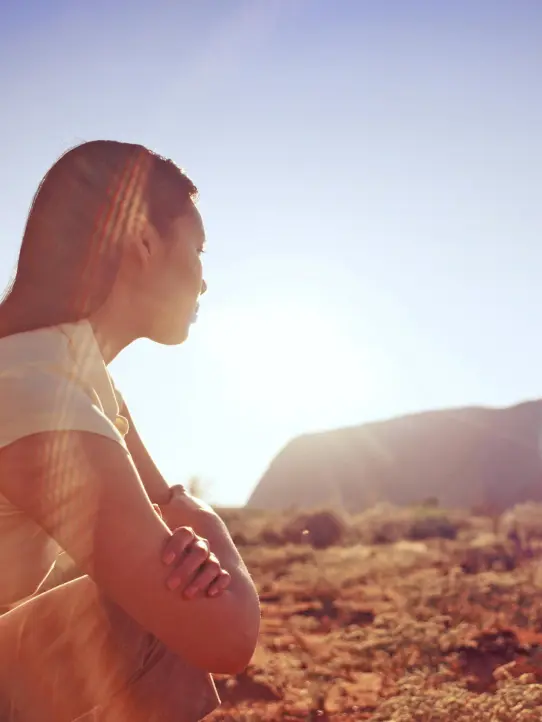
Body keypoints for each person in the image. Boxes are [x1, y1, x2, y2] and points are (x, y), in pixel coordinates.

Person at [0, 140, 261, 721]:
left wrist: (182, 521)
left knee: (152, 595)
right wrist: (210, 528)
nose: (205, 282)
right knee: (156, 616)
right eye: (197, 250)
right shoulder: (36, 395)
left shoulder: (67, 374)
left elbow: (166, 508)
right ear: (142, 241)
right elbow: (223, 637)